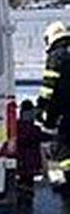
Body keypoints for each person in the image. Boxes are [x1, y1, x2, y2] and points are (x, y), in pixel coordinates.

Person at [38, 20, 70, 193]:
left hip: (65, 111)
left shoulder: (57, 56)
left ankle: (67, 181)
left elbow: (48, 87)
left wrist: (41, 107)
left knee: (62, 147)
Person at [16, 100, 51, 199]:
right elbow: (41, 136)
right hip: (31, 163)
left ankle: (22, 195)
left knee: (23, 181)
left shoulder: (17, 127)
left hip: (20, 161)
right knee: (28, 183)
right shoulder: (34, 129)